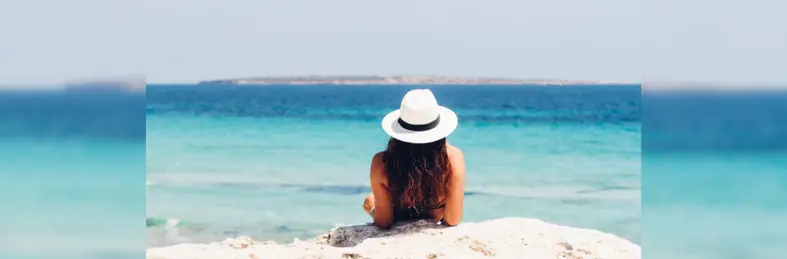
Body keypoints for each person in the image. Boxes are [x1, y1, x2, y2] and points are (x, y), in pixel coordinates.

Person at [363, 89, 466, 230]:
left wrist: (372, 210)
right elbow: (453, 219)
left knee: (369, 200)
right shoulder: (453, 158)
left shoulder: (382, 162)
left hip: (398, 215)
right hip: (434, 215)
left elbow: (384, 222)